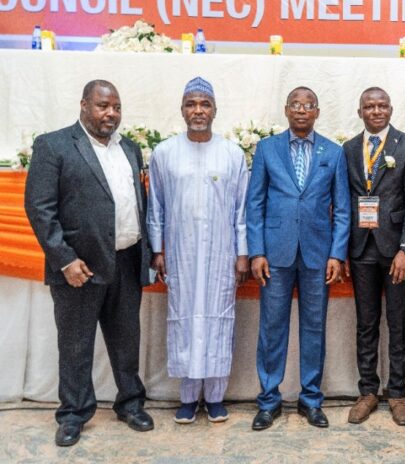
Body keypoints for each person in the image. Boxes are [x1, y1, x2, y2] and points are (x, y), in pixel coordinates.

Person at [24, 80, 154, 446]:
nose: (110, 113)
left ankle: (130, 403)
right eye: (102, 106)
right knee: (77, 345)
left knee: (127, 341)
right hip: (79, 268)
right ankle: (73, 414)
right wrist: (65, 259)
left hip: (127, 261)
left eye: (116, 107)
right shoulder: (54, 145)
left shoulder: (129, 147)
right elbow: (39, 208)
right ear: (84, 105)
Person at [246, 86, 350, 430]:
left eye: (308, 105)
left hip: (318, 255)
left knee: (314, 327)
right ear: (286, 110)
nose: (302, 110)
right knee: (272, 328)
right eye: (296, 104)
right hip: (274, 254)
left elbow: (343, 210)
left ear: (317, 112)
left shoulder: (333, 153)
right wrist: (256, 251)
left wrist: (337, 253)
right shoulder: (267, 149)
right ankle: (269, 401)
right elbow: (255, 204)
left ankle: (311, 400)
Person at [147, 77, 249, 424]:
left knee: (220, 319)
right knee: (184, 319)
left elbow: (242, 209)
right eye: (191, 104)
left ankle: (217, 397)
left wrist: (242, 254)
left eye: (204, 104)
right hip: (181, 253)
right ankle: (189, 398)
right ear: (182, 109)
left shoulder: (232, 153)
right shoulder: (165, 153)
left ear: (215, 110)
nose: (198, 110)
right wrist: (158, 249)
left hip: (222, 254)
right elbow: (155, 206)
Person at [343, 87, 405, 426]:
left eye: (382, 105)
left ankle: (397, 393)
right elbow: (345, 198)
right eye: (369, 106)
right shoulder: (348, 149)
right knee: (366, 323)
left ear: (391, 109)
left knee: (399, 321)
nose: (376, 111)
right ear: (360, 111)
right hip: (361, 248)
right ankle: (368, 391)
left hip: (396, 252)